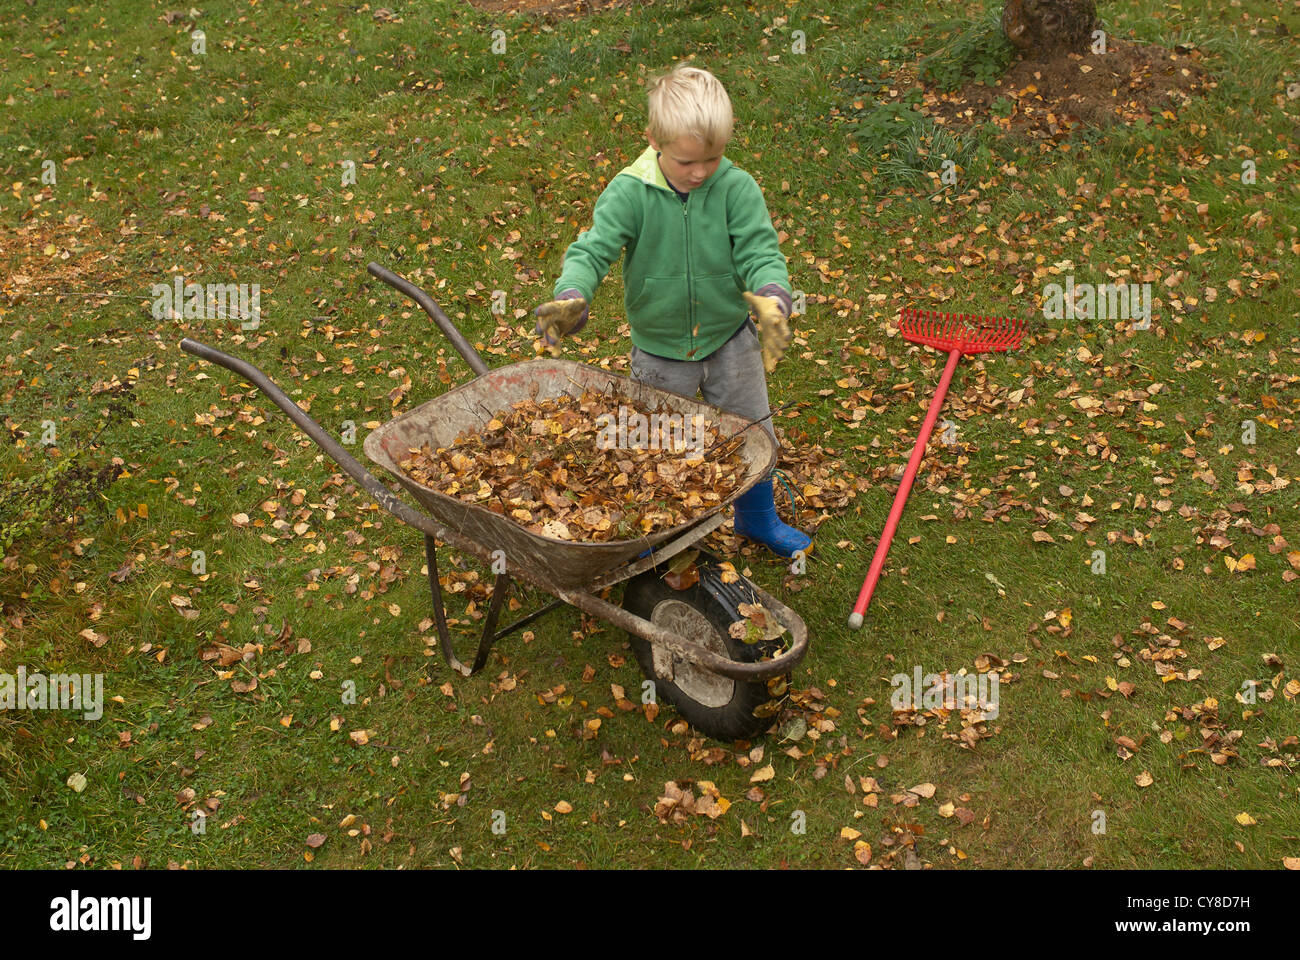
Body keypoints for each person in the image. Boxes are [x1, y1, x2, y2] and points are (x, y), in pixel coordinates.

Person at [534, 63, 810, 559]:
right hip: (660, 350)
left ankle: (757, 519)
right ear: (654, 141)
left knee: (751, 431)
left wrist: (772, 292)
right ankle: (663, 535)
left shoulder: (735, 188)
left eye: (712, 158)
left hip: (730, 339)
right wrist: (573, 295)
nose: (701, 172)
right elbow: (592, 250)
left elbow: (759, 250)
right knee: (662, 443)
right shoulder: (629, 192)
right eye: (687, 162)